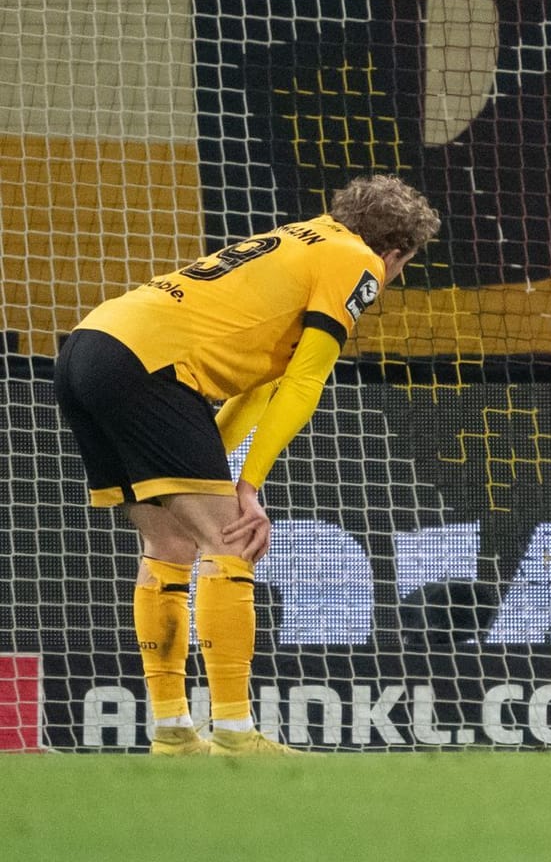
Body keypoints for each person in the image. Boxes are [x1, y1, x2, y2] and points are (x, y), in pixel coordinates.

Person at [55, 175, 439, 756]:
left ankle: (173, 733)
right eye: (403, 265)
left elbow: (262, 387)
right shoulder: (356, 262)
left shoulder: (300, 241)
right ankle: (235, 732)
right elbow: (307, 381)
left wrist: (226, 472)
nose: (394, 277)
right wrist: (249, 487)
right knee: (229, 543)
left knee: (171, 548)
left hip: (89, 349)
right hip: (150, 366)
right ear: (393, 253)